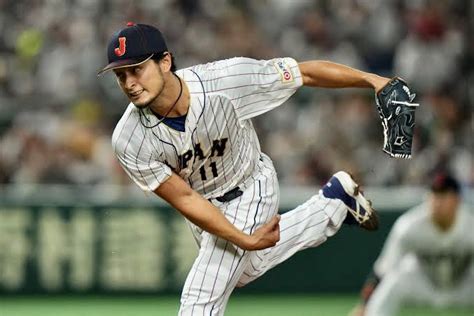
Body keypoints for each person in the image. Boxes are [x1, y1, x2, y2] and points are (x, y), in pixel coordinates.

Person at [98, 22, 389, 315]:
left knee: (201, 296)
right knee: (247, 270)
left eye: (137, 69)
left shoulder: (225, 81)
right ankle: (335, 203)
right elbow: (185, 198)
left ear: (165, 62)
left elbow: (304, 72)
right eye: (121, 75)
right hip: (204, 205)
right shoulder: (129, 139)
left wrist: (372, 80)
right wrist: (246, 240)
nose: (129, 83)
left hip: (250, 185)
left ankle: (330, 205)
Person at [351, 172, 474, 316]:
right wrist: (364, 304)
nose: (437, 202)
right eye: (434, 195)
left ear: (457, 200)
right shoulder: (409, 226)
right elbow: (383, 269)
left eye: (444, 195)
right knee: (396, 278)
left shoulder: (470, 226)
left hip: (462, 288)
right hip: (425, 287)